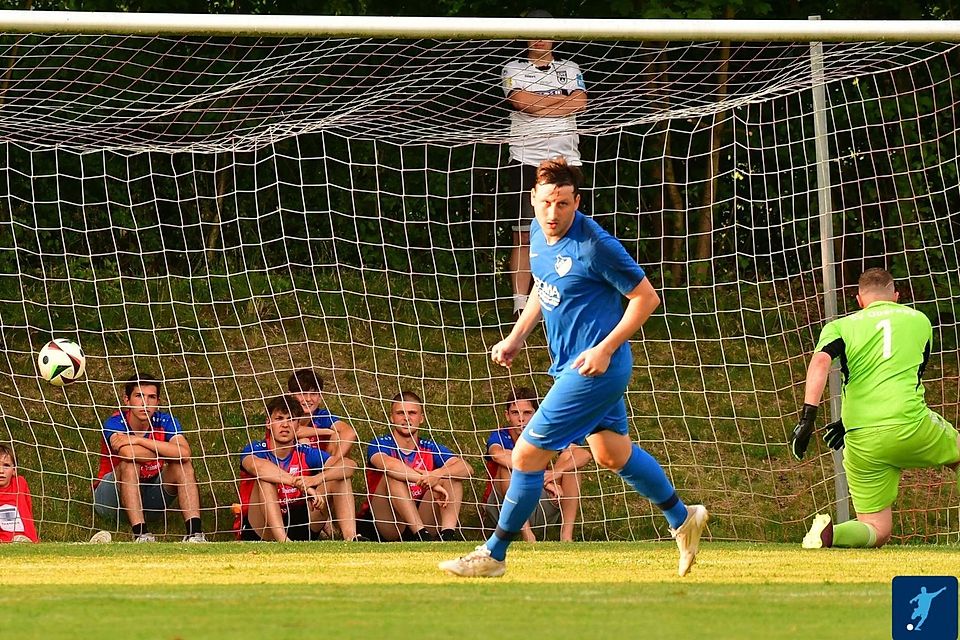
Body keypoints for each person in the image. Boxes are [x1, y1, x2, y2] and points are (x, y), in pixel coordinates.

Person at [440, 158, 708, 578]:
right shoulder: (537, 236)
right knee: (611, 454)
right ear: (533, 199)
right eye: (547, 202)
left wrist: (604, 349)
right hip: (571, 364)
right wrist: (516, 337)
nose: (553, 212)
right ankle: (682, 517)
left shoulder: (595, 244)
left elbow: (646, 299)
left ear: (576, 202)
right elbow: (542, 291)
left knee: (527, 456)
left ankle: (493, 554)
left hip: (594, 369)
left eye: (563, 204)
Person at [791, 268, 960, 549]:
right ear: (895, 296)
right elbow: (914, 372)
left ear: (859, 299)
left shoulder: (840, 326)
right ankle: (828, 536)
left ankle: (830, 534)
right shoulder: (920, 321)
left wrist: (808, 417)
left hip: (862, 437)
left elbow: (820, 362)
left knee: (875, 528)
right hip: (912, 424)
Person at [501, 8, 587, 316]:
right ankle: (520, 307)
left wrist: (541, 105)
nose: (539, 38)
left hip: (567, 161)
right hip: (527, 161)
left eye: (545, 31)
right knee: (524, 233)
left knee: (568, 232)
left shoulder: (570, 67)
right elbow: (523, 104)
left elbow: (580, 102)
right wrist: (558, 105)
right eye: (533, 31)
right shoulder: (513, 68)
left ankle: (564, 300)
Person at [93, 373, 207, 542]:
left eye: (151, 397)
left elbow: (184, 453)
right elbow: (128, 454)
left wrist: (138, 440)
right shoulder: (115, 422)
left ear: (158, 402)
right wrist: (168, 450)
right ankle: (141, 534)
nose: (145, 403)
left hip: (150, 496)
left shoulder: (165, 421)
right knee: (130, 464)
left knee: (183, 465)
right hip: (111, 501)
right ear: (127, 400)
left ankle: (194, 534)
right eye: (139, 396)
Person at [237, 394, 357, 542]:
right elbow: (259, 467)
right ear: (268, 423)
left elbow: (350, 465)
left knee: (339, 476)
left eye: (291, 419)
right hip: (262, 527)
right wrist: (300, 484)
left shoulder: (304, 452)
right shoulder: (256, 448)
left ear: (298, 426)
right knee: (265, 480)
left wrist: (315, 479)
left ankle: (352, 539)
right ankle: (283, 542)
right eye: (279, 419)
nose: (285, 425)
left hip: (300, 520)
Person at [361, 391, 473, 542]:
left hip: (423, 516)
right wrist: (428, 480)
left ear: (421, 418)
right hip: (389, 522)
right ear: (392, 417)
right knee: (393, 476)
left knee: (452, 476)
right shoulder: (380, 443)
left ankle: (447, 536)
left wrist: (437, 474)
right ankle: (420, 535)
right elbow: (389, 464)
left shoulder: (429, 447)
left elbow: (466, 468)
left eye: (412, 413)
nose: (406, 418)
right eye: (400, 413)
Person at [484, 387, 592, 541]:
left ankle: (566, 537)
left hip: (538, 501)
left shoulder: (544, 435)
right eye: (515, 413)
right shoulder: (500, 436)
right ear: (507, 415)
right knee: (506, 466)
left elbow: (584, 455)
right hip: (502, 508)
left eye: (527, 413)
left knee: (571, 466)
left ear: (536, 414)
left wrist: (557, 471)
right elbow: (497, 455)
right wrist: (543, 480)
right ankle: (527, 535)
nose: (521, 419)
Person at [286, 369, 360, 540]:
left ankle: (352, 538)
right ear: (291, 395)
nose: (308, 399)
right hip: (289, 499)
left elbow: (350, 434)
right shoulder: (282, 419)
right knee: (321, 439)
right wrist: (324, 431)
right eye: (302, 393)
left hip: (317, 489)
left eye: (314, 393)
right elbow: (294, 432)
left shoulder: (323, 416)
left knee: (338, 466)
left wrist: (325, 474)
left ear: (320, 396)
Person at [0, 443, 38, 543]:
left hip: (26, 540)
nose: (1, 471)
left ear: (14, 470)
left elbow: (28, 509)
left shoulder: (19, 484)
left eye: (6, 466)